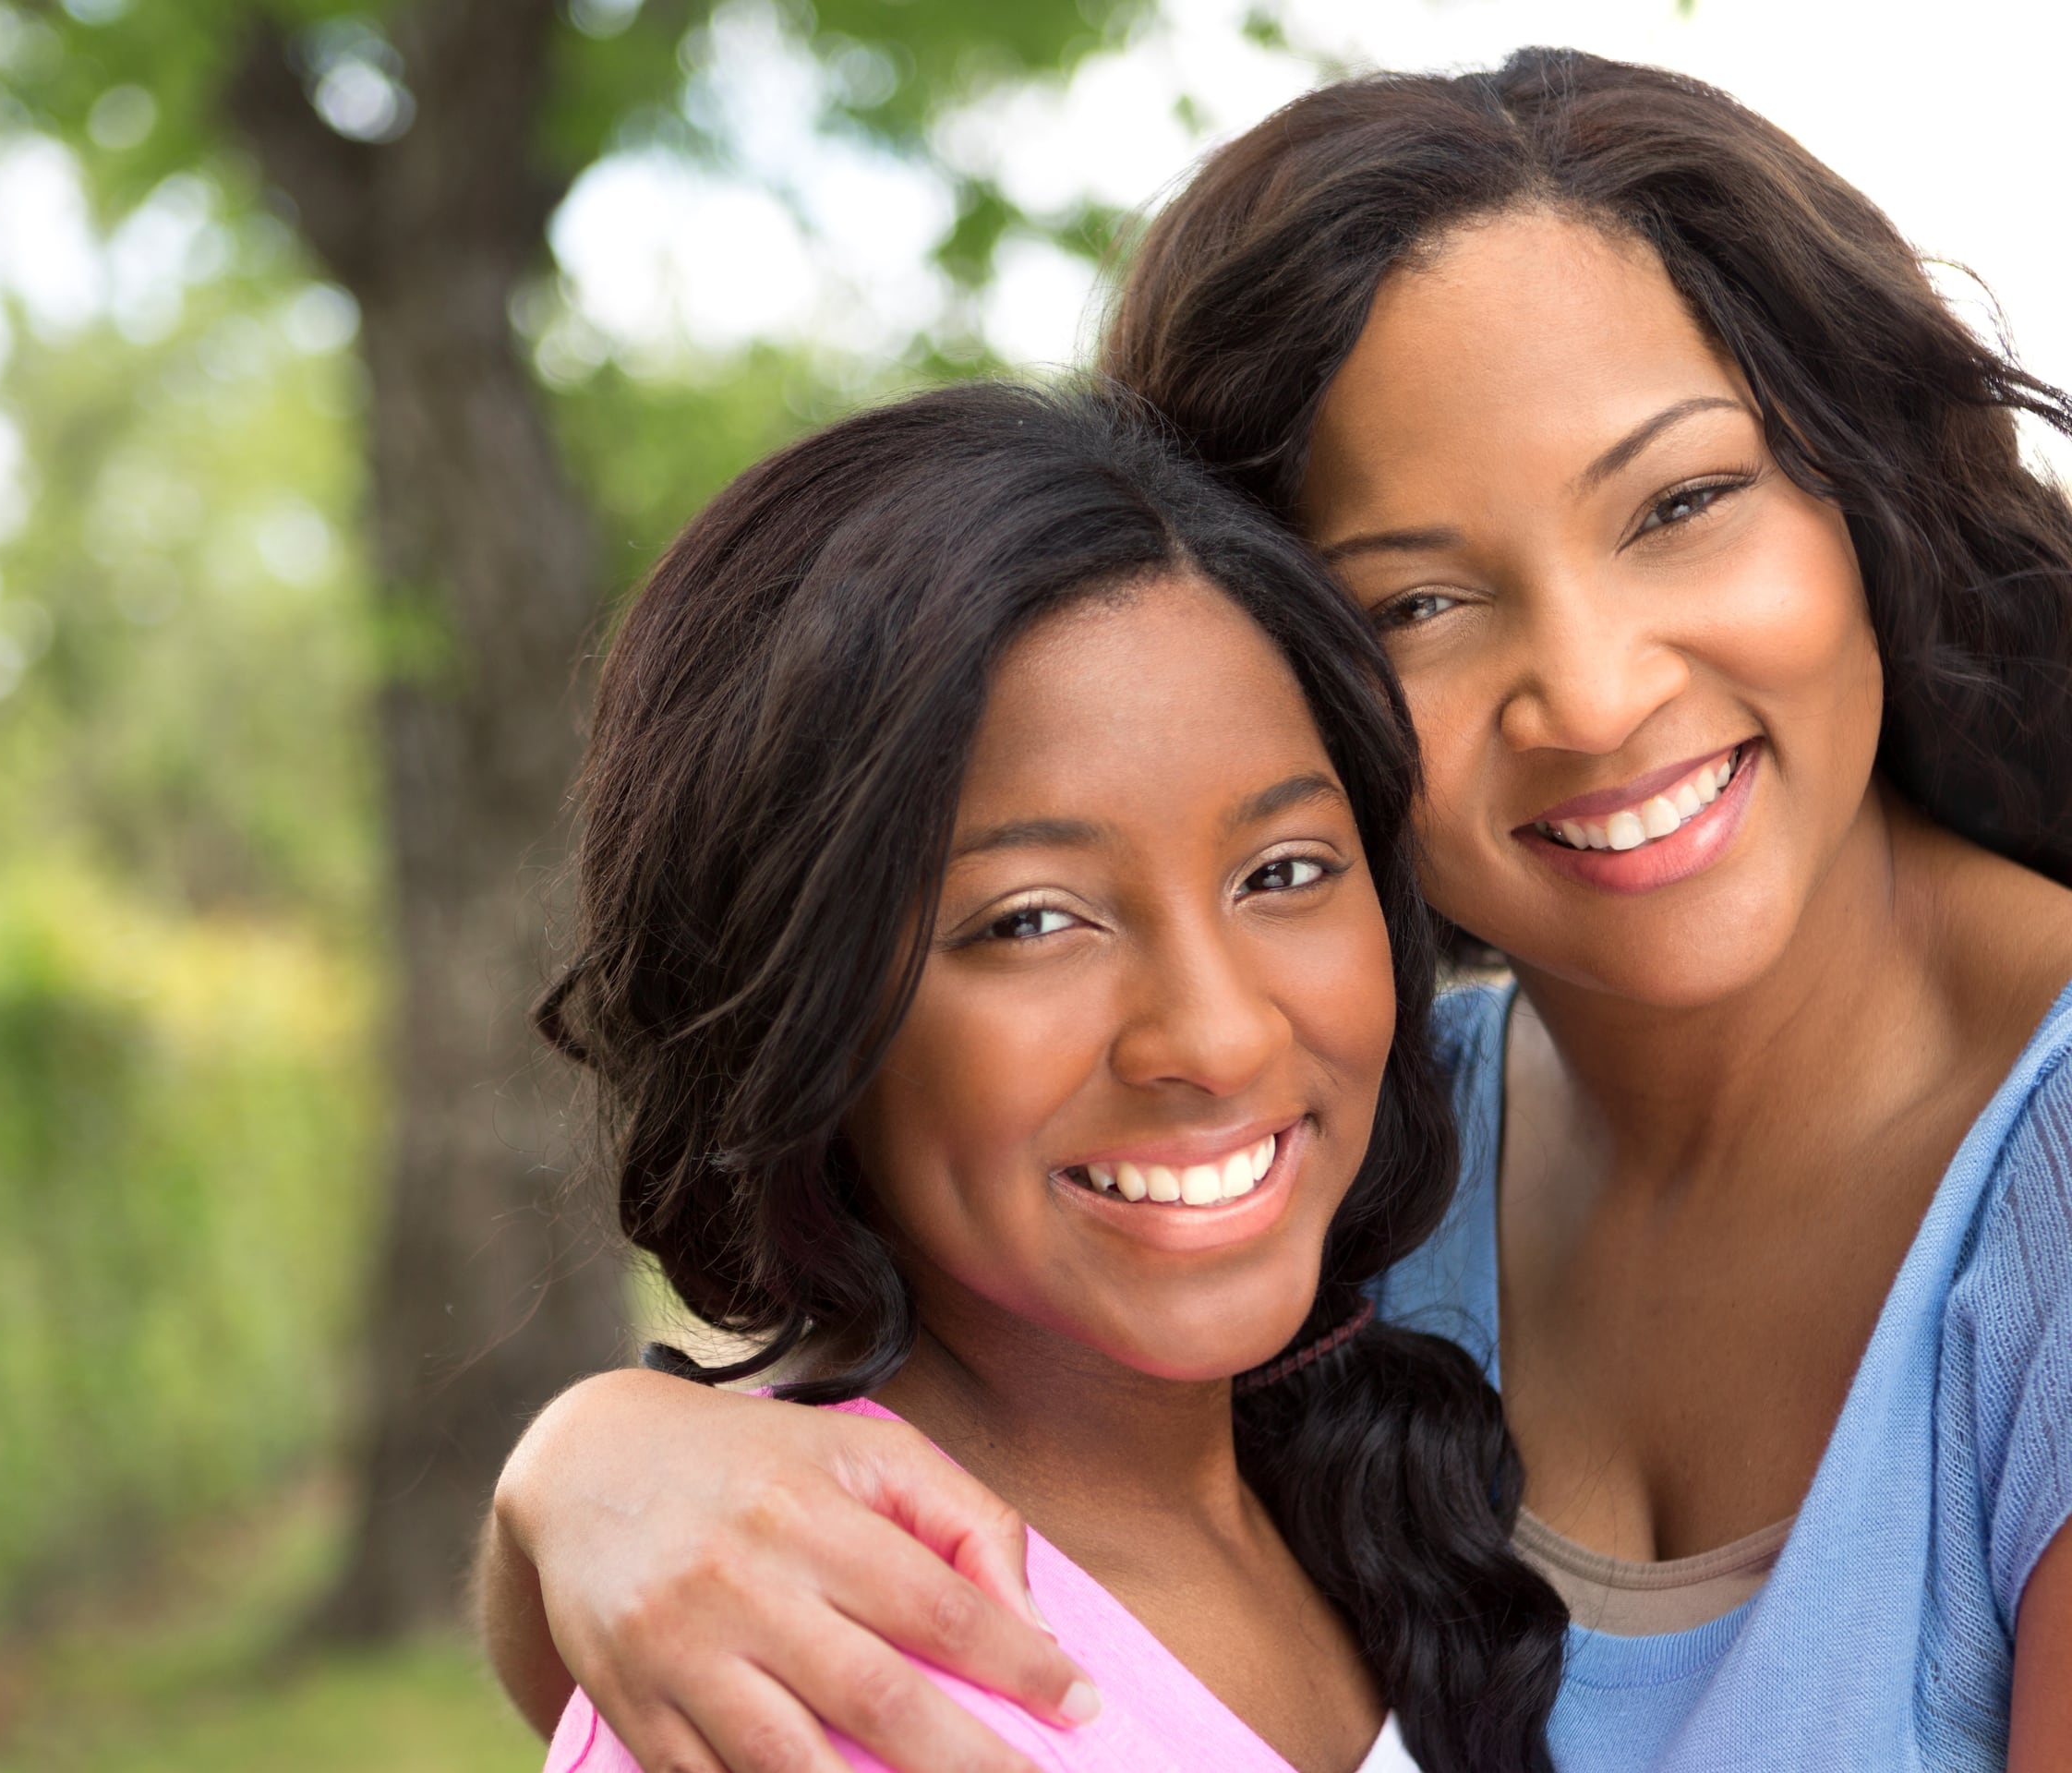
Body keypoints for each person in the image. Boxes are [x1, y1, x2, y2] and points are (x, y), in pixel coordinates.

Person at [483, 50, 2072, 1773]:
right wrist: (591, 1477)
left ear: (1868, 494)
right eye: (1421, 599)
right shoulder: (1341, 1160)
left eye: (1682, 505)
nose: (1596, 696)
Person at [526, 380, 1565, 1773]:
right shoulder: (815, 1670)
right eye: (1030, 921)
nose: (1216, 1038)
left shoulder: (1342, 1477)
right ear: (801, 1003)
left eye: (1285, 872)